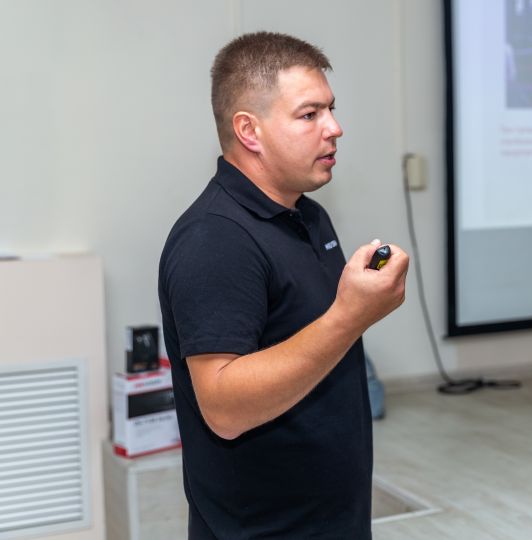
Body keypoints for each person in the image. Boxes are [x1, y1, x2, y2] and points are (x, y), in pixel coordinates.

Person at [158, 31, 409, 539]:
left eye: (331, 110)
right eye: (309, 114)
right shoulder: (215, 239)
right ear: (249, 130)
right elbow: (224, 409)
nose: (335, 128)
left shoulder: (308, 216)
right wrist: (351, 315)